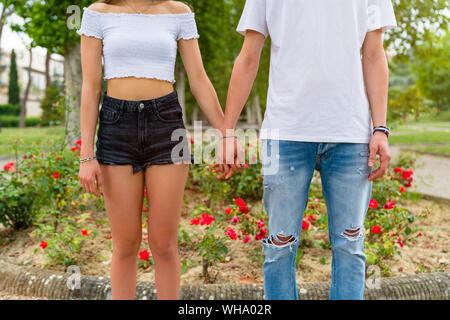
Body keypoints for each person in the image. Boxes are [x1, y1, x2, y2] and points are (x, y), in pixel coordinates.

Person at [218, 0, 397, 300]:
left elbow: (374, 54)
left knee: (350, 247)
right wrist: (227, 132)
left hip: (350, 134)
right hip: (285, 133)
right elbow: (249, 56)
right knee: (279, 248)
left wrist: (380, 128)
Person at [77, 0, 224, 300]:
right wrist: (86, 155)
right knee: (126, 244)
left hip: (166, 125)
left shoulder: (179, 12)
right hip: (116, 126)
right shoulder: (98, 13)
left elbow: (199, 79)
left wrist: (227, 133)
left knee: (164, 243)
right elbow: (90, 87)